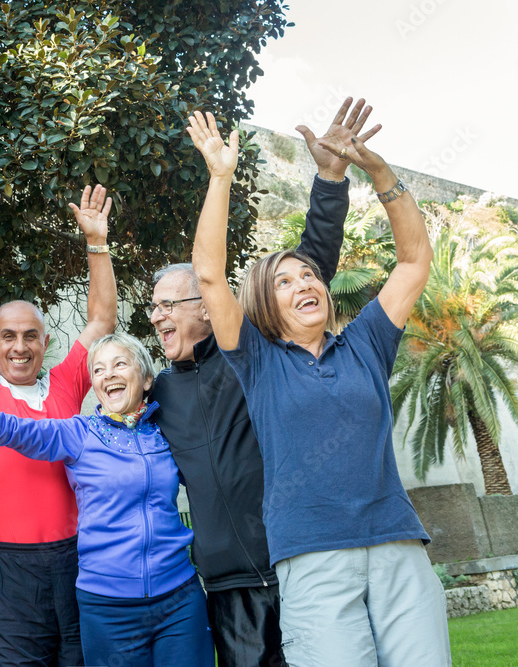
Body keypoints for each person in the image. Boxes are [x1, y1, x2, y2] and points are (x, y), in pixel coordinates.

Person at [188, 108, 450, 666]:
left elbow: (414, 259)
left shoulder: (366, 343)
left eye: (309, 274)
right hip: (312, 559)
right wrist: (219, 178)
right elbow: (209, 276)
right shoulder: (256, 361)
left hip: (397, 547)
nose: (304, 281)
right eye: (284, 280)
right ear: (265, 303)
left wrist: (381, 176)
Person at [149, 98, 380, 666]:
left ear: (207, 308)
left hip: (298, 559)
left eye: (167, 306)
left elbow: (309, 268)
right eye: (151, 308)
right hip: (227, 587)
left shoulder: (253, 355)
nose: (155, 317)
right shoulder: (156, 392)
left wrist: (330, 179)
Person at [0, 160, 117, 665]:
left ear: (45, 341)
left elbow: (101, 318)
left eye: (30, 335)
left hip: (75, 561)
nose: (19, 346)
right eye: (8, 336)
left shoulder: (69, 380)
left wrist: (96, 242)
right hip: (0, 569)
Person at [0, 333, 214, 667]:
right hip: (109, 606)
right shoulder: (79, 433)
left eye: (120, 364)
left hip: (178, 597)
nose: (109, 374)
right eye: (99, 369)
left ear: (147, 378)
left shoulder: (165, 433)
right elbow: (13, 429)